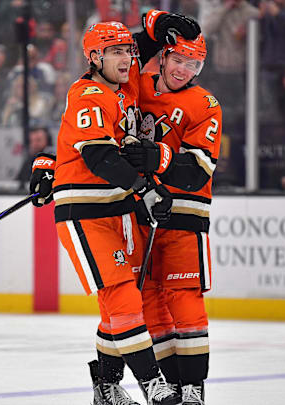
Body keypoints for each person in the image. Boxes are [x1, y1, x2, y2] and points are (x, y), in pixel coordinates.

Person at [29, 11, 201, 405]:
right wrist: (147, 189)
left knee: (120, 304)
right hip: (85, 211)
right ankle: (153, 383)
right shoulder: (89, 94)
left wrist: (159, 30)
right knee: (122, 295)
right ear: (94, 58)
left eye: (128, 51)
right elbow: (101, 158)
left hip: (118, 207)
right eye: (115, 52)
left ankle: (106, 385)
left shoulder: (125, 88)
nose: (126, 58)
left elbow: (140, 48)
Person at [119, 30, 221, 405]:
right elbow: (105, 69)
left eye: (192, 64)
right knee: (147, 298)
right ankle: (171, 386)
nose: (183, 69)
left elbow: (198, 170)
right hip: (139, 211)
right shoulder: (135, 85)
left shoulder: (205, 104)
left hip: (183, 213)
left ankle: (194, 386)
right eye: (178, 60)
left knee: (183, 296)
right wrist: (149, 28)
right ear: (162, 57)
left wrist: (157, 158)